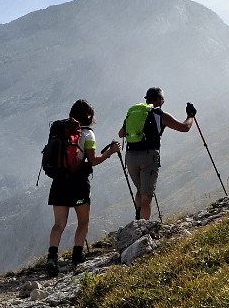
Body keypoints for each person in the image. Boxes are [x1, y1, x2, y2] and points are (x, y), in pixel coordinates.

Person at [47, 98, 120, 276]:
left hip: (58, 182)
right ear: (89, 115)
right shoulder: (88, 134)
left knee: (59, 224)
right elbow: (93, 160)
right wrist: (110, 152)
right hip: (78, 182)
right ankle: (77, 255)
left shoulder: (61, 131)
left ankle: (52, 257)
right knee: (83, 221)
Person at [119, 86, 195, 221]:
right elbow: (184, 128)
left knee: (140, 189)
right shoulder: (161, 116)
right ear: (160, 100)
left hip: (130, 157)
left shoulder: (134, 113)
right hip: (148, 156)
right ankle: (143, 227)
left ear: (147, 99)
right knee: (146, 195)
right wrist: (190, 116)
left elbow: (121, 133)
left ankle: (138, 218)